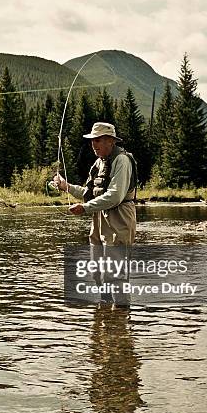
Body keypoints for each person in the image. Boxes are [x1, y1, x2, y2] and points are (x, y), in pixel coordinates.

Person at [54, 122, 137, 305]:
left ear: (110, 141)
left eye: (98, 140)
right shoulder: (99, 162)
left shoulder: (122, 161)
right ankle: (106, 314)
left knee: (115, 275)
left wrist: (85, 208)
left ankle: (122, 321)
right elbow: (89, 193)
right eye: (92, 141)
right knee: (98, 272)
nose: (94, 145)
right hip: (99, 219)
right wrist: (66, 186)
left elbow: (115, 196)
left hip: (120, 218)